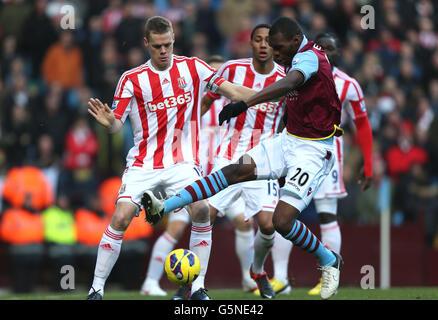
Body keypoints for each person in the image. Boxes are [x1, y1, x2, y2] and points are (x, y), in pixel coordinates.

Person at [142, 16, 344, 300]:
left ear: (296, 41)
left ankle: (327, 259)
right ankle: (164, 206)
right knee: (233, 172)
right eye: (270, 46)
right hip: (285, 142)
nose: (275, 53)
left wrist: (243, 103)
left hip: (312, 151)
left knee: (281, 222)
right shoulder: (249, 65)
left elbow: (289, 84)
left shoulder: (309, 58)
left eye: (279, 47)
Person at [86, 15, 255, 300]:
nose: (163, 51)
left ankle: (198, 287)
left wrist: (272, 94)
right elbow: (117, 124)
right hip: (143, 164)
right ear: (146, 44)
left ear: (174, 39)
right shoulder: (131, 79)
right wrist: (110, 123)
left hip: (182, 163)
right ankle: (96, 289)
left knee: (201, 210)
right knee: (121, 216)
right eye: (157, 46)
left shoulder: (195, 68)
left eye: (167, 45)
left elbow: (232, 91)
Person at [139, 55, 256, 299]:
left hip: (223, 177)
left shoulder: (233, 106)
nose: (215, 79)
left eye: (219, 74)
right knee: (177, 227)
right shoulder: (190, 103)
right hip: (194, 178)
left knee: (244, 222)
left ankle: (247, 277)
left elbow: (242, 137)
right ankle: (151, 281)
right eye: (211, 74)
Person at [268, 32, 375, 296]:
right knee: (284, 211)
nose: (326, 51)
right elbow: (286, 109)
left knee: (327, 215)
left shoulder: (348, 84)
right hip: (296, 149)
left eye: (331, 48)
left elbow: (362, 123)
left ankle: (328, 275)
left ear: (338, 52)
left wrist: (368, 164)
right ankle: (280, 278)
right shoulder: (299, 70)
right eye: (322, 47)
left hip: (328, 155)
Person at [199, 24, 286, 299]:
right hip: (228, 156)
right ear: (250, 44)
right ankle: (194, 283)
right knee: (205, 214)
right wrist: (191, 131)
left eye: (268, 41)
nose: (263, 45)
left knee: (270, 225)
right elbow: (206, 100)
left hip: (264, 161)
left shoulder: (286, 77)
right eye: (258, 40)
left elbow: (292, 117)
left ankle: (258, 271)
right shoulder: (231, 69)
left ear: (275, 46)